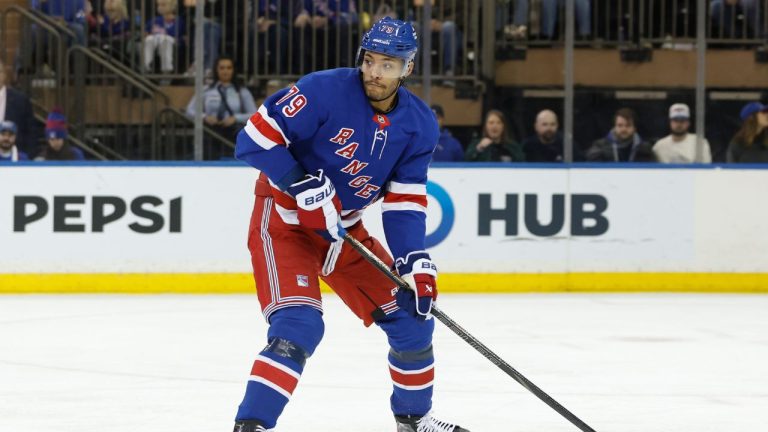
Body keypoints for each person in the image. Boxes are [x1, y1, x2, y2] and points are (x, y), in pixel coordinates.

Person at [233, 17, 469, 432]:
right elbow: (253, 138)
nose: (376, 72)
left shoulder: (418, 124)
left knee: (412, 323)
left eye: (389, 65)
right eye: (370, 60)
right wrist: (296, 181)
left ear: (408, 68)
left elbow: (404, 200)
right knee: (298, 327)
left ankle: (413, 420)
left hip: (343, 233)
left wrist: (413, 258)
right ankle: (251, 427)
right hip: (284, 222)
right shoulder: (322, 90)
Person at [186, 55, 257, 152]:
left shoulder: (242, 91)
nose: (225, 71)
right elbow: (189, 111)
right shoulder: (205, 90)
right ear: (216, 70)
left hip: (234, 130)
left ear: (233, 70)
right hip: (210, 131)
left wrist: (235, 118)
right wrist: (205, 117)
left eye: (229, 68)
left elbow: (255, 115)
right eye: (222, 68)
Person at [586, 108, 655, 162]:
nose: (623, 129)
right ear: (614, 127)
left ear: (634, 128)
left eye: (628, 125)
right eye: (620, 125)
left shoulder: (645, 149)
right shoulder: (600, 147)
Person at [0, 59, 37, 157]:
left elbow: (31, 132)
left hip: (15, 161)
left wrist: (26, 159)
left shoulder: (20, 100)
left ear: (4, 75)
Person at [143, 0, 185, 76]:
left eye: (163, 5)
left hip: (171, 41)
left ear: (172, 6)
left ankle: (167, 70)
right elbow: (146, 32)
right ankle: (146, 66)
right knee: (149, 39)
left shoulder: (178, 20)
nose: (160, 7)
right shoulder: (154, 20)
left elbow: (176, 34)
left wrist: (162, 33)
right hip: (156, 41)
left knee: (164, 39)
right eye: (159, 5)